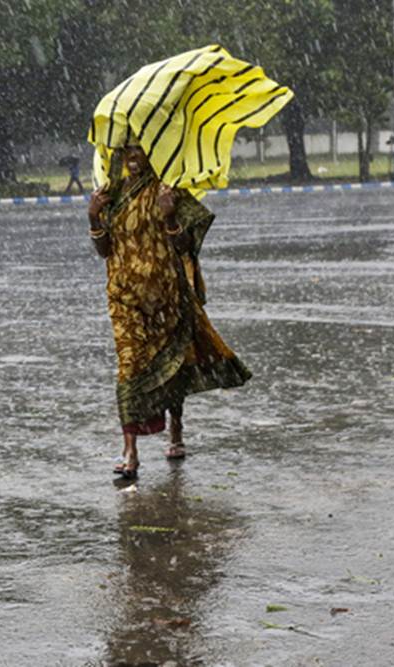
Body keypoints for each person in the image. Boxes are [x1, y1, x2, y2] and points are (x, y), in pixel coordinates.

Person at [87, 138, 251, 481]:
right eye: (126, 151)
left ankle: (176, 427)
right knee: (129, 366)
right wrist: (93, 216)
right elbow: (105, 251)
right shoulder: (111, 195)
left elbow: (186, 245)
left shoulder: (167, 189)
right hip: (124, 298)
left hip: (166, 295)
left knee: (171, 364)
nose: (133, 158)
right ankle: (130, 451)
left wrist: (170, 215)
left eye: (139, 149)